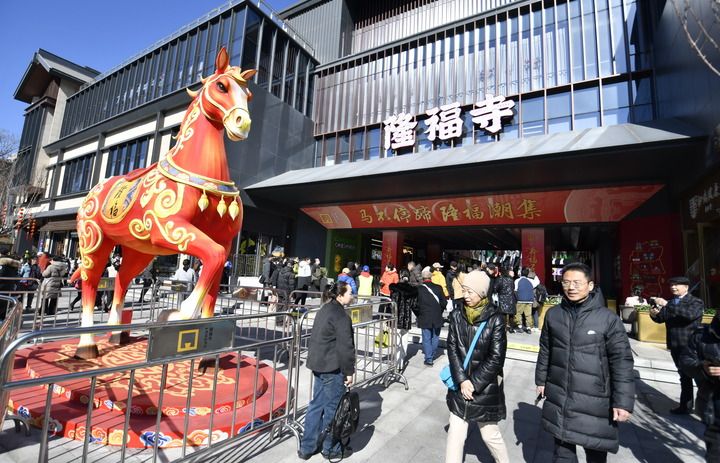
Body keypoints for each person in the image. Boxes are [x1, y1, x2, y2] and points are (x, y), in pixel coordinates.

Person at [535, 262, 634, 462]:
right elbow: (546, 349)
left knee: (595, 452)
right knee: (562, 454)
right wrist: (541, 380)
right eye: (566, 282)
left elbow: (621, 362)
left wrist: (623, 402)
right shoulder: (554, 314)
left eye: (577, 283)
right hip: (561, 395)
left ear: (590, 285)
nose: (571, 287)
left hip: (596, 401)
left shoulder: (608, 319)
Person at [445, 270, 509, 463]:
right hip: (461, 385)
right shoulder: (457, 315)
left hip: (484, 388)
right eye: (464, 290)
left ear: (482, 293)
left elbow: (496, 358)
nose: (465, 295)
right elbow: (452, 349)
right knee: (455, 433)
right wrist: (462, 380)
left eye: (470, 292)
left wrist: (473, 383)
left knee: (490, 435)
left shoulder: (495, 319)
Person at [298, 281, 355, 460]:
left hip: (319, 364)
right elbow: (346, 347)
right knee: (333, 409)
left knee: (316, 405)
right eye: (350, 292)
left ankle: (307, 447)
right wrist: (349, 371)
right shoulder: (341, 316)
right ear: (340, 295)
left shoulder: (324, 309)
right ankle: (331, 448)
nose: (352, 295)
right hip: (332, 367)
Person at [650, 275, 705, 414]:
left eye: (676, 284)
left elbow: (689, 315)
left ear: (686, 287)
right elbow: (661, 318)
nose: (673, 287)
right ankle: (685, 406)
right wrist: (654, 314)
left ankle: (707, 408)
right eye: (671, 285)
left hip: (691, 347)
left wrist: (667, 304)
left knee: (699, 377)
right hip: (675, 345)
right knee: (684, 376)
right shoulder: (671, 302)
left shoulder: (695, 302)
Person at [680, 312, 720, 462]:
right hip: (713, 408)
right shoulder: (702, 334)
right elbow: (685, 361)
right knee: (715, 455)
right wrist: (702, 367)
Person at [416, 267, 447, 366]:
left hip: (424, 316)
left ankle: (429, 358)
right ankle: (431, 355)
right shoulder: (438, 287)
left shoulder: (419, 289)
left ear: (422, 278)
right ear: (431, 277)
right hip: (437, 316)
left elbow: (416, 304)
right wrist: (439, 311)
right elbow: (444, 303)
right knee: (435, 337)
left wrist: (418, 313)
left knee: (426, 338)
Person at [0, 247, 21, 319]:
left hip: (2, 289)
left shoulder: (2, 264)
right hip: (9, 289)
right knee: (4, 312)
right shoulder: (13, 264)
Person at [513, 268, 535, 334]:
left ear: (520, 273)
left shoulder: (517, 280)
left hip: (521, 299)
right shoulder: (531, 281)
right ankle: (528, 328)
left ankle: (519, 327)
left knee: (518, 313)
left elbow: (515, 290)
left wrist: (517, 298)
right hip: (529, 299)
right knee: (528, 314)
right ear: (527, 274)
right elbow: (536, 283)